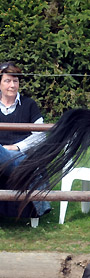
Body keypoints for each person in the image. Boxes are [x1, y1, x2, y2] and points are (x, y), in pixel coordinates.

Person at [0, 61, 50, 218]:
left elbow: (40, 136)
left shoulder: (29, 105)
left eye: (15, 81)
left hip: (21, 157)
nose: (12, 85)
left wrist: (15, 147)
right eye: (7, 81)